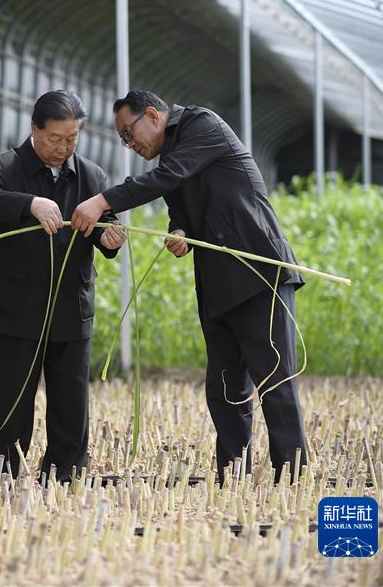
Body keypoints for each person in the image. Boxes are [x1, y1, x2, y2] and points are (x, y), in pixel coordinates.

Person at [71, 90, 308, 483]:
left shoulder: (202, 125)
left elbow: (168, 177)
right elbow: (181, 211)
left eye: (129, 135)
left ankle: (293, 479)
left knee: (275, 382)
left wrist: (102, 200)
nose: (131, 146)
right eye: (124, 141)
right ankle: (231, 477)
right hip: (218, 284)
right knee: (226, 389)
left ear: (152, 115)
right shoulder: (173, 156)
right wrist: (178, 232)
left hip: (257, 273)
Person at [0, 90, 127, 482]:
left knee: (71, 403)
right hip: (16, 307)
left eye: (71, 139)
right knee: (11, 400)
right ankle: (2, 477)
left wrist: (111, 239)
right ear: (34, 129)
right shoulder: (5, 167)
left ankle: (66, 477)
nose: (63, 148)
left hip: (71, 307)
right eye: (55, 138)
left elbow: (108, 227)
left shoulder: (92, 176)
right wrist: (30, 204)